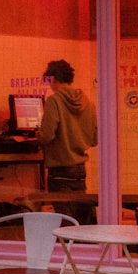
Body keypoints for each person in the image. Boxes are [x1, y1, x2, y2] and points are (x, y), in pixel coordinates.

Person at [38, 59, 98, 222]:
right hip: (80, 171)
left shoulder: (54, 101)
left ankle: (68, 249)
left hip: (60, 171)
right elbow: (94, 139)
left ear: (53, 79)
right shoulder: (88, 103)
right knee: (79, 222)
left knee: (65, 223)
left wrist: (38, 134)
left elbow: (47, 135)